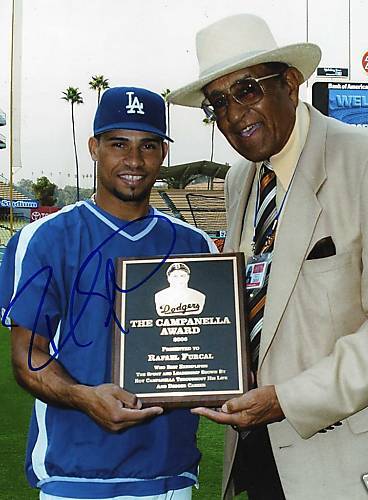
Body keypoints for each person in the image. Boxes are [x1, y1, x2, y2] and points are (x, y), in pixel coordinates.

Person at [168, 13, 368, 500]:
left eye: (247, 90)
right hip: (256, 454)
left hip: (344, 456)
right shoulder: (239, 181)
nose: (232, 115)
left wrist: (287, 400)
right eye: (218, 103)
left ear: (290, 84)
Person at [0, 86, 218, 500]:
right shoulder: (45, 238)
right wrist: (84, 398)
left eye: (148, 146)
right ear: (94, 147)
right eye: (119, 144)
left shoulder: (197, 246)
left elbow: (211, 349)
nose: (134, 161)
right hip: (75, 475)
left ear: (163, 153)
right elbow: (27, 357)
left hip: (168, 476)